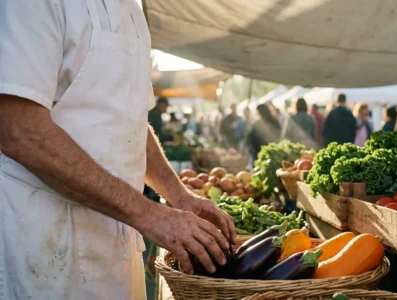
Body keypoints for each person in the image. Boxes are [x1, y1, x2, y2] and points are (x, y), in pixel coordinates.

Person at [0, 2, 235, 299]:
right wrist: (149, 215)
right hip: (45, 242)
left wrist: (179, 195)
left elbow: (132, 123)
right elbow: (20, 130)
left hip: (118, 243)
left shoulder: (132, 10)